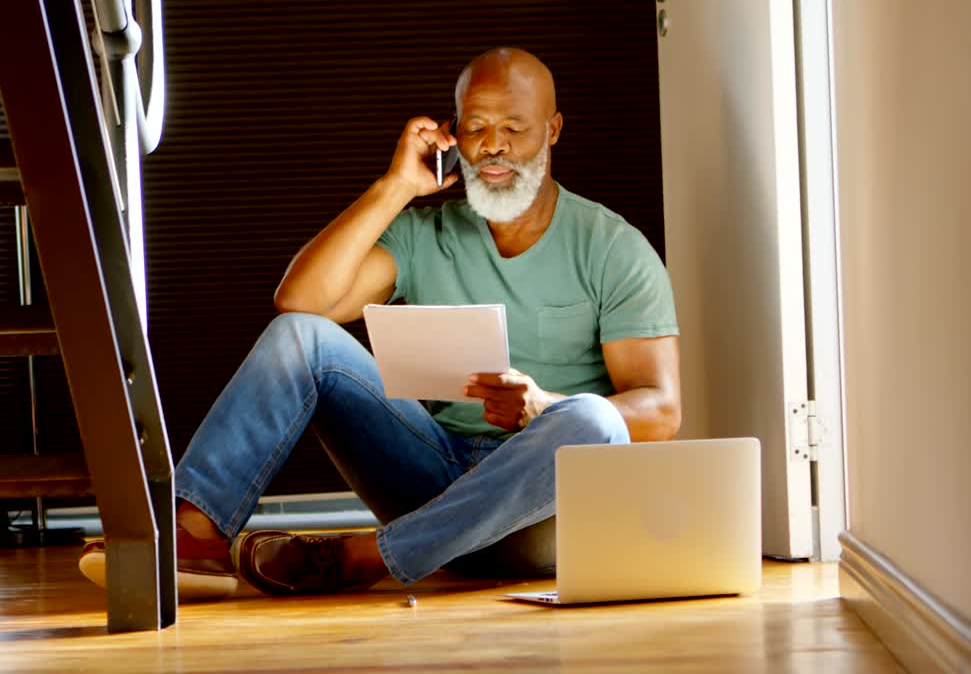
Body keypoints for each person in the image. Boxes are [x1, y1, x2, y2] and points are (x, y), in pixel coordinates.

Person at [78, 47, 681, 599]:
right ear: (452, 135)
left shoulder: (611, 246)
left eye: (514, 128)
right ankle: (191, 538)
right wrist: (395, 187)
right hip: (433, 479)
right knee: (300, 339)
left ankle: (366, 557)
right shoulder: (426, 235)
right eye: (475, 128)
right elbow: (301, 302)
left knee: (594, 418)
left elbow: (660, 409)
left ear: (552, 129)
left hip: (542, 514)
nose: (492, 145)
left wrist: (543, 405)